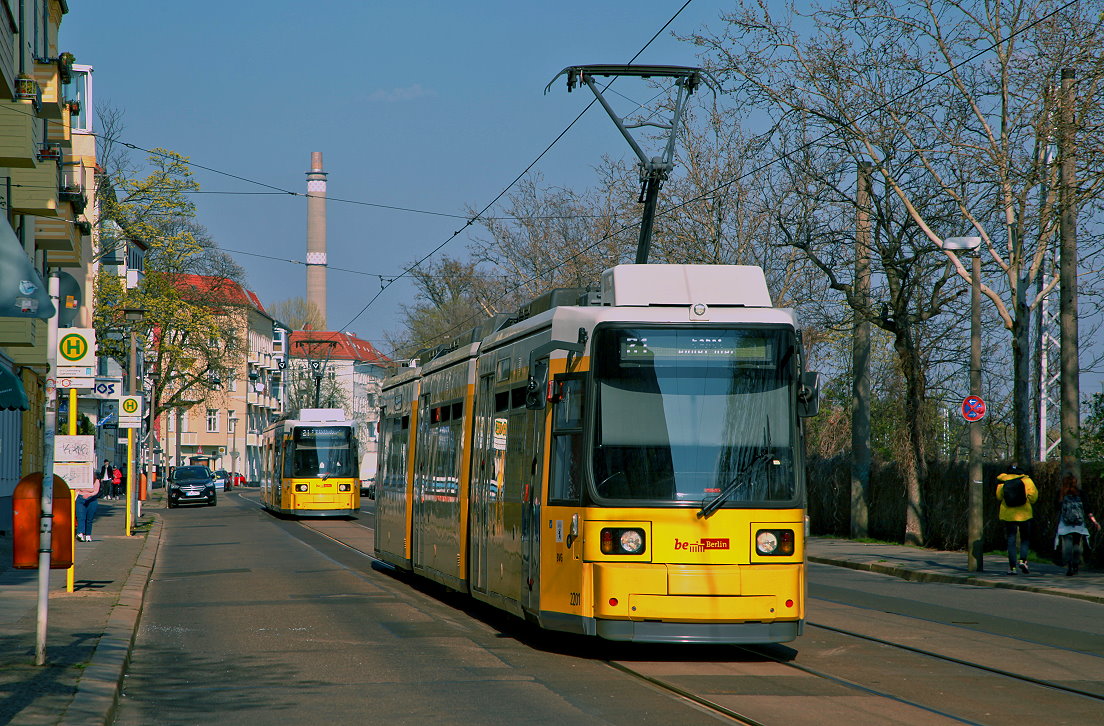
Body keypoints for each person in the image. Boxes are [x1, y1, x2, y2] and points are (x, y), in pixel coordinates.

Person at [996, 464, 1038, 575]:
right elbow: (1034, 498)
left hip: (1008, 514)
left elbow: (999, 497)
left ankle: (1012, 567)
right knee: (1025, 538)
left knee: (1011, 540)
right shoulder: (1027, 480)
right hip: (1024, 514)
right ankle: (1023, 561)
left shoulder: (1003, 481)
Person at [1055, 473, 1100, 576]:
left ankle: (1069, 565)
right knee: (1076, 543)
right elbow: (1087, 508)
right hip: (1079, 523)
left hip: (1065, 523)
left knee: (1067, 545)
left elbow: (1056, 507)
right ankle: (1076, 564)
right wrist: (1094, 521)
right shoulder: (1080, 493)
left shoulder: (1061, 493)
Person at [74, 472, 101, 542]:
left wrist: (89, 495)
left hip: (92, 499)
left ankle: (88, 534)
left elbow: (96, 491)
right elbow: (76, 490)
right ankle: (80, 533)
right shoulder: (81, 480)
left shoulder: (96, 481)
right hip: (81, 498)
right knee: (81, 517)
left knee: (89, 518)